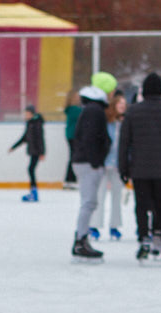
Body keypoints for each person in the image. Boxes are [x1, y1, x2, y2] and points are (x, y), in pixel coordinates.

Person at [118, 73, 161, 262]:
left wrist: (124, 168)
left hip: (140, 169)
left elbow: (124, 143)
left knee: (142, 206)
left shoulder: (133, 111)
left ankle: (144, 239)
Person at [69, 72, 116, 261]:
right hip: (88, 163)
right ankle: (80, 241)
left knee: (90, 202)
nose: (113, 93)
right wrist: (96, 161)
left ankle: (82, 239)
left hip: (87, 161)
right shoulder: (94, 110)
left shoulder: (91, 108)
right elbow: (90, 138)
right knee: (88, 202)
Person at [92, 91, 126, 239]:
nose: (123, 107)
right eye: (120, 104)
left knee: (117, 197)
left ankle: (114, 226)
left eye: (124, 105)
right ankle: (94, 226)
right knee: (99, 196)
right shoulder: (106, 123)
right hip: (104, 164)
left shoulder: (125, 123)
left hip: (119, 165)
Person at [9, 104, 45, 202]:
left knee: (30, 169)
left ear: (32, 114)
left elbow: (40, 139)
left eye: (27, 113)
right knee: (30, 169)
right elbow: (24, 138)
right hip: (32, 150)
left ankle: (34, 192)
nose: (26, 115)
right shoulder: (30, 123)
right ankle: (33, 192)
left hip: (37, 151)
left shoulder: (37, 124)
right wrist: (14, 147)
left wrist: (42, 152)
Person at [63, 89, 82, 189]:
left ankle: (70, 179)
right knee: (73, 157)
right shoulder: (74, 109)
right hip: (73, 136)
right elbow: (83, 113)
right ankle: (70, 179)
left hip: (72, 135)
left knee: (73, 157)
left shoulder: (72, 109)